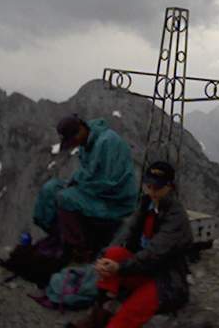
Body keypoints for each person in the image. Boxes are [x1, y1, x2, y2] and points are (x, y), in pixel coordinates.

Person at [69, 160, 194, 328]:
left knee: (127, 316)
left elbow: (154, 252)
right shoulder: (146, 203)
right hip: (144, 269)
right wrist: (104, 258)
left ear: (170, 187)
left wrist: (120, 268)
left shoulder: (176, 217)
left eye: (157, 187)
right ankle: (100, 313)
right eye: (148, 185)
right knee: (113, 253)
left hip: (166, 280)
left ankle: (112, 319)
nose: (152, 190)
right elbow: (127, 231)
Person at [33, 114, 138, 262]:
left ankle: (79, 250)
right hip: (95, 192)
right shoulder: (87, 143)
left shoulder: (108, 142)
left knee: (65, 198)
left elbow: (111, 182)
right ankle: (58, 236)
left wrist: (79, 188)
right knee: (50, 189)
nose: (74, 144)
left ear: (81, 130)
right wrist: (73, 182)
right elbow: (86, 173)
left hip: (115, 201)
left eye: (73, 139)